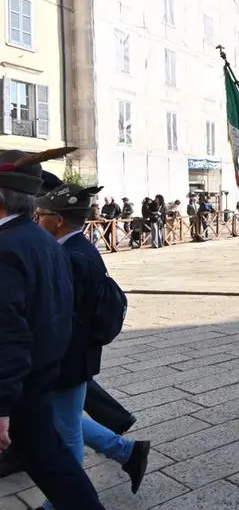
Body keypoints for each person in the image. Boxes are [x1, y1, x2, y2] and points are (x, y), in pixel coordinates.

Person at [0, 148, 106, 510]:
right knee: (51, 462)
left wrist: (2, 405)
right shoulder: (40, 240)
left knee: (52, 462)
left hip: (20, 384)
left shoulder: (7, 247)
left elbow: (9, 332)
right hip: (39, 375)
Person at [33, 184, 151, 505]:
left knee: (66, 433)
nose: (36, 219)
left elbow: (61, 318)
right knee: (64, 419)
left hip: (65, 359)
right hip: (74, 357)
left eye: (40, 215)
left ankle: (63, 502)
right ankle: (126, 451)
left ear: (57, 220)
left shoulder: (68, 257)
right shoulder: (80, 248)